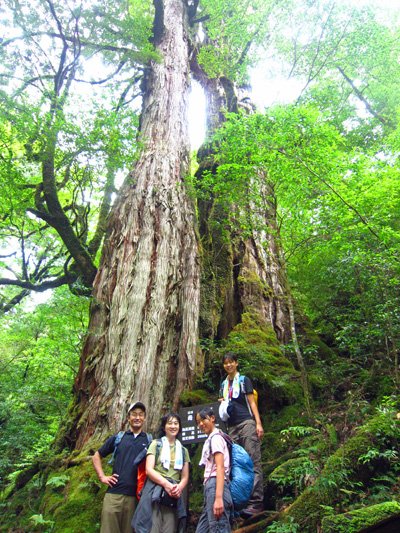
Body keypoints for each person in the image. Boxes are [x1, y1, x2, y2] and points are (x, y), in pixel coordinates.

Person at [92, 401, 150, 533]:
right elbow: (96, 456)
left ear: (144, 418)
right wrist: (102, 476)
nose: (137, 417)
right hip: (114, 495)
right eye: (134, 414)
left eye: (140, 414)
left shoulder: (149, 440)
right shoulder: (119, 438)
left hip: (136, 498)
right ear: (128, 418)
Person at [219, 352, 264, 516]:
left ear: (236, 363)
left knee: (253, 460)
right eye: (226, 363)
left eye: (231, 362)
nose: (228, 365)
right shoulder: (223, 385)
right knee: (237, 464)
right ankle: (241, 502)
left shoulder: (244, 380)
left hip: (246, 423)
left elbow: (252, 403)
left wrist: (258, 423)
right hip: (231, 427)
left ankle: (256, 502)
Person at [132, 412, 190, 533]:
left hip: (173, 495)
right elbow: (149, 470)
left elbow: (184, 476)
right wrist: (166, 484)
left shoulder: (183, 451)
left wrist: (178, 488)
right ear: (164, 427)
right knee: (152, 527)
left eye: (176, 423)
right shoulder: (155, 445)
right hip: (154, 491)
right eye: (170, 423)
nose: (173, 426)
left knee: (170, 527)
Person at [195, 407, 233, 533]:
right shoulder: (212, 438)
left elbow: (220, 467)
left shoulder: (216, 438)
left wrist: (218, 498)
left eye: (203, 419)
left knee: (218, 528)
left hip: (216, 485)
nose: (201, 424)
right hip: (211, 488)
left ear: (212, 418)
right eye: (198, 422)